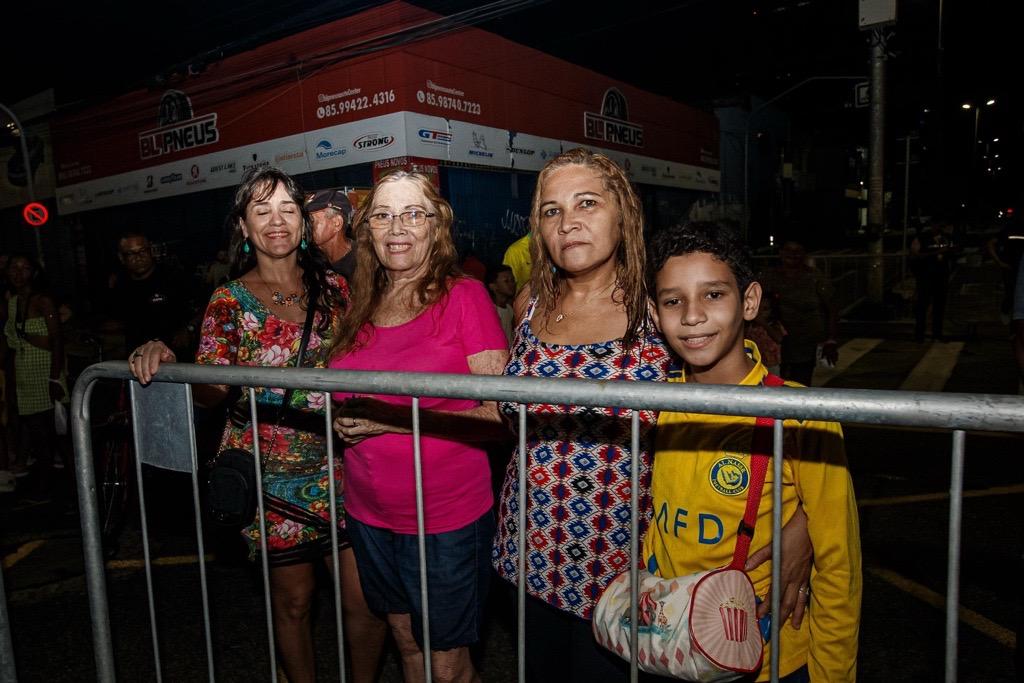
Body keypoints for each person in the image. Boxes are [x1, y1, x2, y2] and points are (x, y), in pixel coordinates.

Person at [491, 149, 813, 682]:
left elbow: (762, 408)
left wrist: (802, 525)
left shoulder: (660, 307)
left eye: (586, 203)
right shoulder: (529, 303)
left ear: (624, 215)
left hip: (628, 574)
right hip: (525, 553)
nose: (567, 222)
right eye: (551, 211)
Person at [128, 167, 386, 683]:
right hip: (270, 479)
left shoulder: (338, 289)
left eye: (287, 209)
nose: (276, 221)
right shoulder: (228, 301)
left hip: (342, 467)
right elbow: (209, 394)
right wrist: (172, 359)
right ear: (244, 227)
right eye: (261, 211)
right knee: (295, 602)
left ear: (303, 222)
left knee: (366, 601)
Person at [643, 221, 861, 682]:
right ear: (655, 311)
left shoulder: (801, 413)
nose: (692, 316)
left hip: (769, 657)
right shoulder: (655, 402)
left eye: (714, 295)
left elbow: (839, 567)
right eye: (672, 300)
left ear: (750, 301)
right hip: (674, 648)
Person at [328, 170, 508, 683]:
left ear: (436, 227)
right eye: (383, 215)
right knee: (407, 646)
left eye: (412, 214)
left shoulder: (464, 296)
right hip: (369, 512)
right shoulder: (359, 303)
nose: (396, 227)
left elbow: (500, 415)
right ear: (368, 232)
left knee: (447, 664)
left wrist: (390, 420)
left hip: (445, 517)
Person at [1, 254, 70, 494]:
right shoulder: (12, 301)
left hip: (46, 370)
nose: (19, 273)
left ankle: (69, 484)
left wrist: (54, 377)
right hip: (25, 372)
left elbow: (57, 340)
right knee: (36, 431)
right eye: (14, 268)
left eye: (25, 268)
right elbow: (11, 344)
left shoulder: (42, 300)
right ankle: (48, 482)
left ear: (35, 272)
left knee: (58, 432)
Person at [106, 232, 197, 359]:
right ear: (122, 258)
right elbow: (116, 322)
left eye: (143, 251)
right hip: (138, 360)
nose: (138, 257)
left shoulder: (174, 277)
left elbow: (207, 307)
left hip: (175, 357)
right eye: (131, 253)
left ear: (151, 251)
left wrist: (188, 329)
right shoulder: (120, 285)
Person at [761, 241, 838, 386]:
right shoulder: (769, 276)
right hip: (774, 342)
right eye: (788, 250)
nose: (793, 254)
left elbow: (831, 308)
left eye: (798, 251)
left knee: (800, 383)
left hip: (806, 342)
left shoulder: (815, 277)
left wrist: (831, 340)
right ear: (781, 253)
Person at [910, 219, 957, 343]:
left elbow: (952, 253)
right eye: (938, 225)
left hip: (941, 276)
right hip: (926, 276)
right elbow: (916, 254)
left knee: (939, 306)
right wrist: (936, 252)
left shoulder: (946, 238)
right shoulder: (922, 237)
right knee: (922, 306)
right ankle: (919, 334)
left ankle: (937, 333)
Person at [307, 188, 357, 284]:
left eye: (312, 221)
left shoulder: (364, 262)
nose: (306, 227)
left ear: (336, 223)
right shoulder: (311, 260)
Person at [485, 264, 517, 344]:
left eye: (512, 280)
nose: (512, 284)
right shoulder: (490, 311)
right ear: (493, 286)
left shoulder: (509, 309)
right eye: (506, 281)